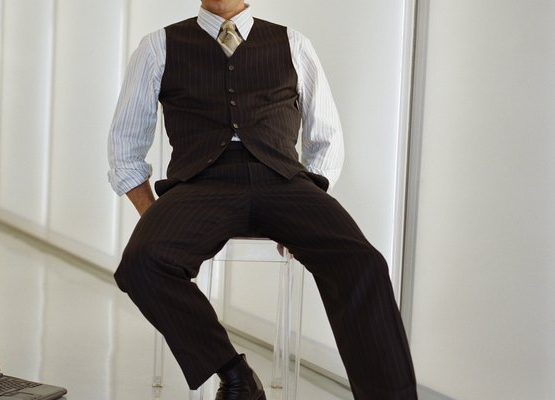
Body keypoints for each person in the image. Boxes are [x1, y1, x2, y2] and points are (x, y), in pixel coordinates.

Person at [107, 1, 417, 399]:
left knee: (364, 263)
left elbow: (325, 137)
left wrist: (307, 212)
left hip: (284, 181)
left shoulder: (293, 43)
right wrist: (153, 216)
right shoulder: (158, 46)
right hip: (200, 184)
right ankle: (235, 373)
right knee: (140, 263)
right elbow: (125, 145)